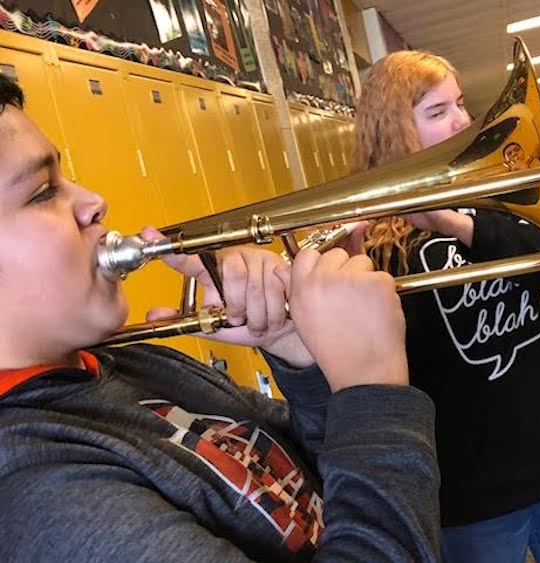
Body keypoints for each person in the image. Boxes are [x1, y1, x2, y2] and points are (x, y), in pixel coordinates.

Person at [0, 75, 441, 562]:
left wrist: (298, 354)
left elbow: (330, 479)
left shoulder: (129, 361)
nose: (93, 201)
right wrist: (372, 388)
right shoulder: (40, 494)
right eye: (43, 192)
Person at [353, 50, 540, 562]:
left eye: (460, 104)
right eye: (437, 111)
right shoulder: (374, 241)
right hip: (469, 485)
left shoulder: (494, 193)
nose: (463, 121)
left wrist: (457, 222)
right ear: (393, 131)